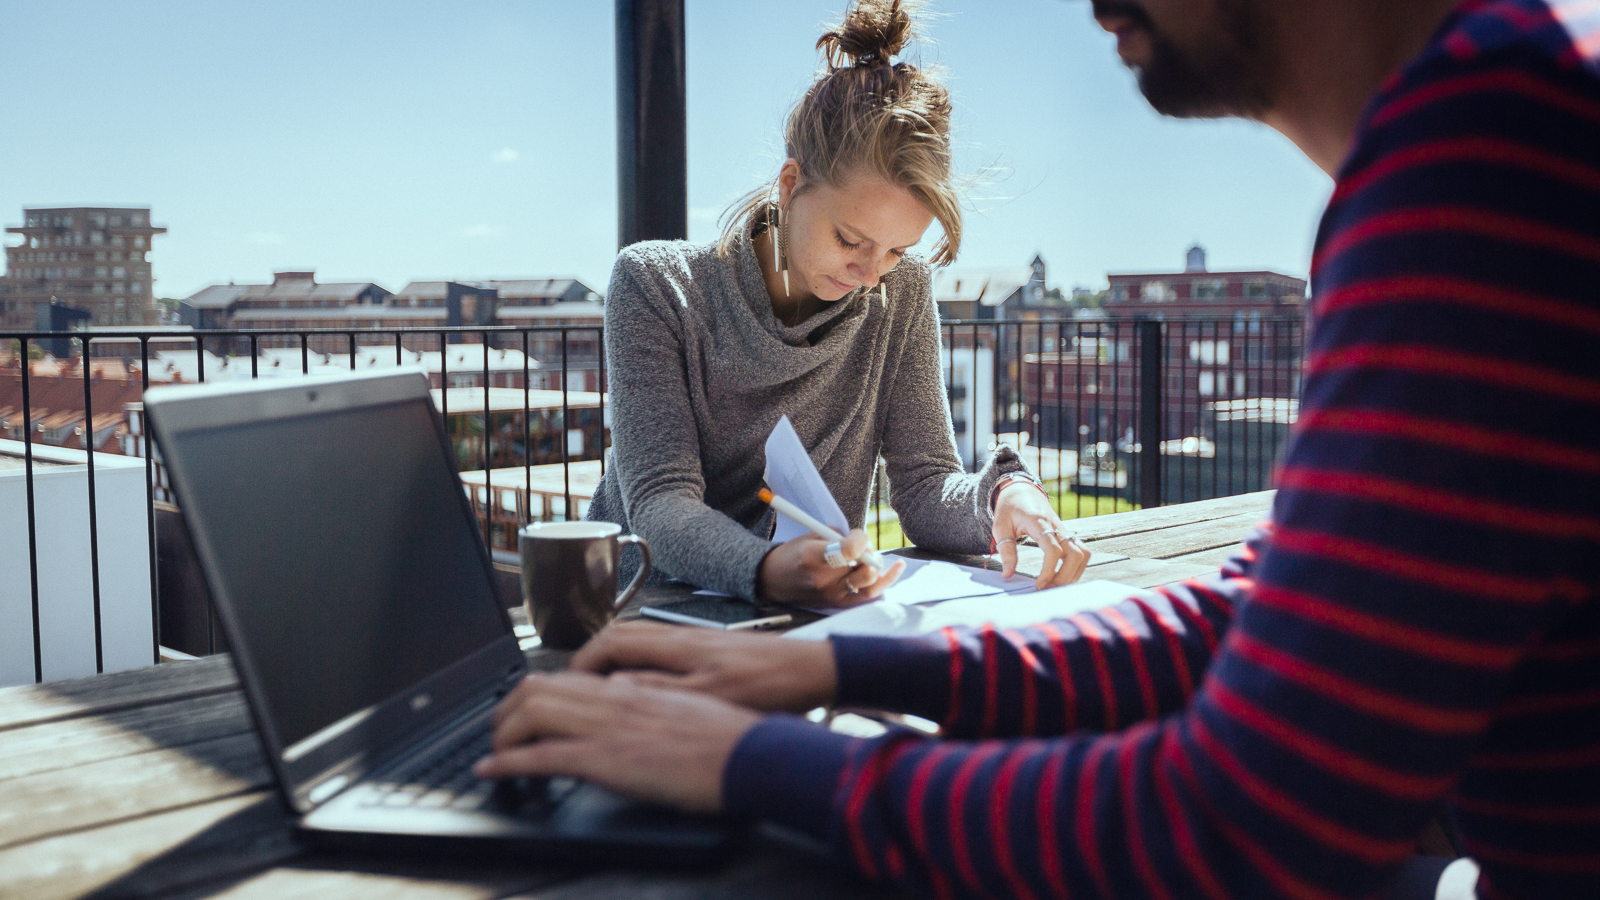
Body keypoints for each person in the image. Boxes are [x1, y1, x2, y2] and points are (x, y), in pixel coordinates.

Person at [478, 1, 1600, 898]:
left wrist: (748, 760)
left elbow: (1237, 826)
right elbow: (1258, 622)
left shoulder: (1491, 159)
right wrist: (828, 665)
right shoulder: (1503, 117)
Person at [584, 0, 1090, 608]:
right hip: (645, 608)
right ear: (791, 186)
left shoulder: (899, 292)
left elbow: (926, 486)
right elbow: (660, 505)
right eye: (850, 239)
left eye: (898, 249)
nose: (870, 273)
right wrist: (767, 569)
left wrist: (1002, 494)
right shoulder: (657, 286)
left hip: (806, 614)